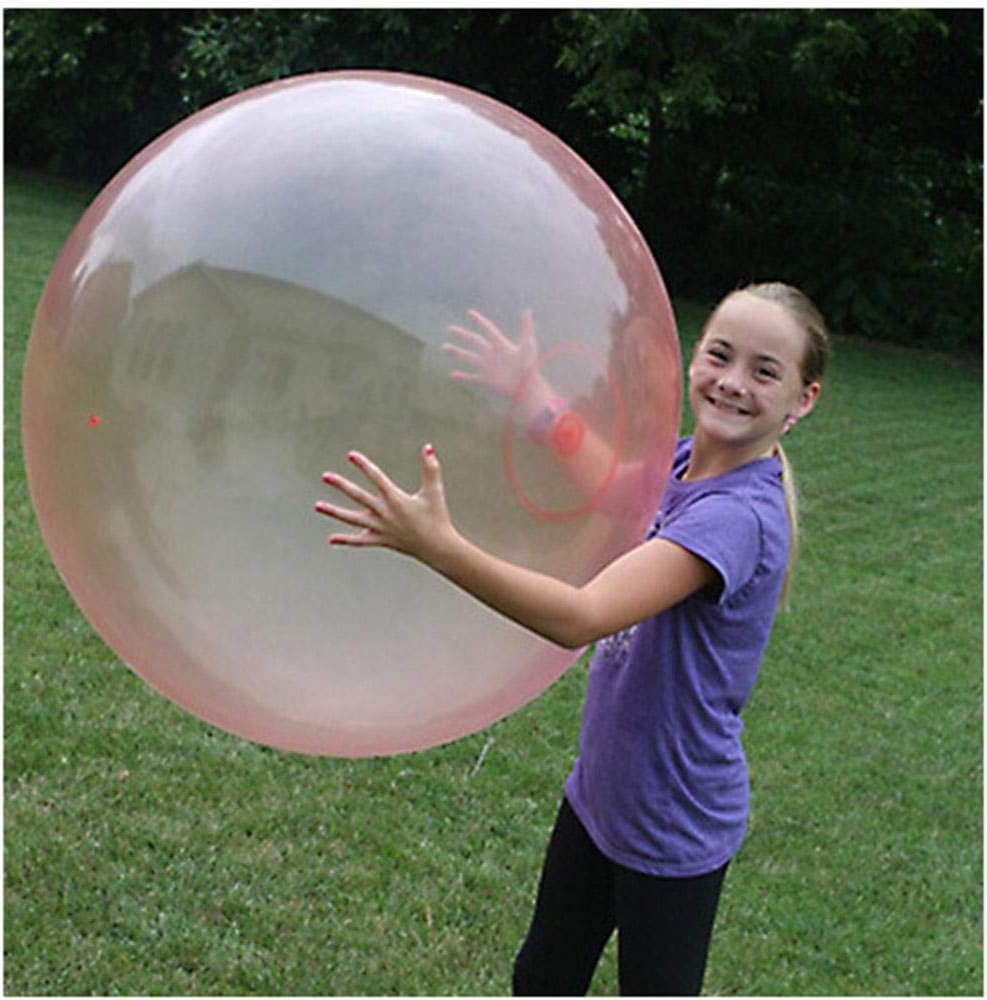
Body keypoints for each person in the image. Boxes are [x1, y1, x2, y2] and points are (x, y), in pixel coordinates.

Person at [314, 282, 829, 995]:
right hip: (599, 796)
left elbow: (582, 616)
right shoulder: (684, 464)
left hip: (673, 824)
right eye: (720, 355)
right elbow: (618, 487)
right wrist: (532, 396)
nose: (732, 382)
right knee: (542, 979)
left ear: (803, 399)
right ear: (693, 359)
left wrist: (438, 547)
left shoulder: (738, 517)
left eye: (764, 371)